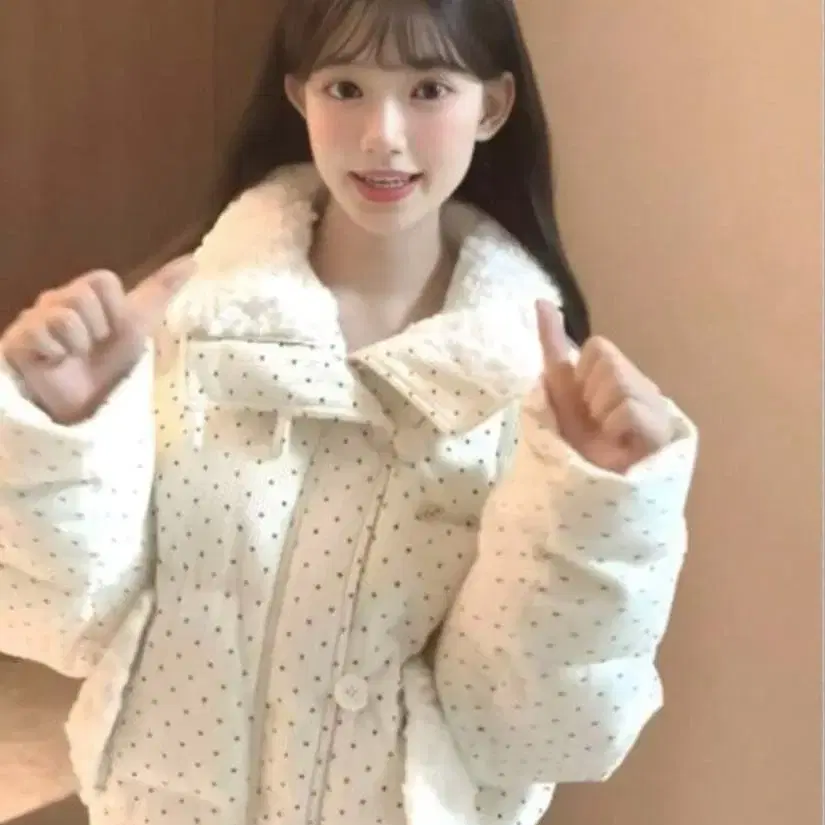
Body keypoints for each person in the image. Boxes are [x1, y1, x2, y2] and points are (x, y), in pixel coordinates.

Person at [0, 1, 698, 823]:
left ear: (493, 106)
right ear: (299, 95)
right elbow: (60, 622)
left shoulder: (537, 395)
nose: (382, 135)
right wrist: (63, 432)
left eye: (429, 89)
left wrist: (596, 515)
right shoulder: (185, 327)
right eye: (345, 88)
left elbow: (532, 730)